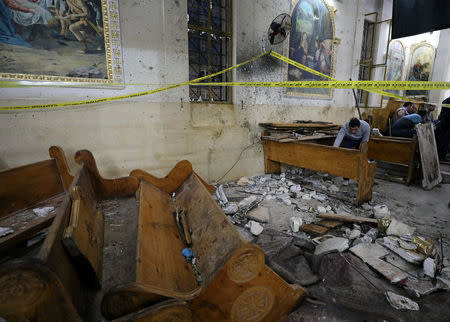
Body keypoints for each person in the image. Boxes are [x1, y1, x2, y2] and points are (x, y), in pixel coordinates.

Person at [435, 97, 450, 161]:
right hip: (446, 123)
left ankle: (442, 155)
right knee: (444, 140)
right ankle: (440, 156)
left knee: (446, 141)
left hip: (446, 122)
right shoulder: (447, 100)